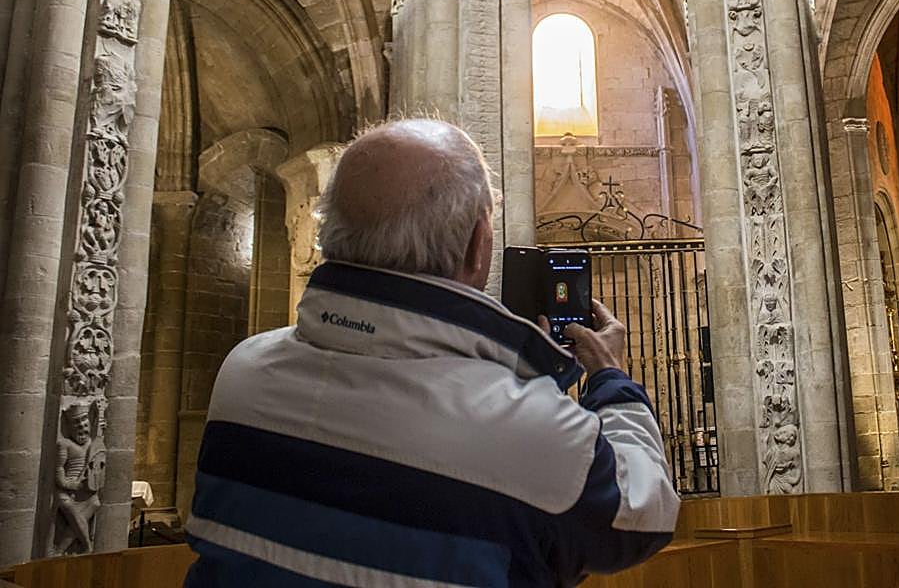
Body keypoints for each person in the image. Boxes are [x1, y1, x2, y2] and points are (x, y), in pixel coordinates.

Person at [184, 119, 680, 587]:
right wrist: (610, 379)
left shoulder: (243, 373)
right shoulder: (527, 430)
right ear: (478, 248)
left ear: (328, 232)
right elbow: (642, 514)